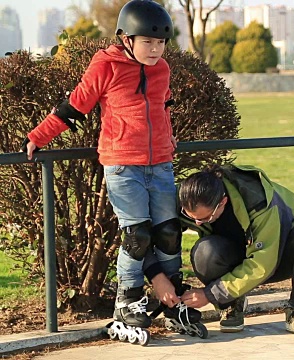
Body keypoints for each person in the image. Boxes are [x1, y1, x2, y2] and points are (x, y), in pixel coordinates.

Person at [22, 0, 201, 343]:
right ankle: (127, 300)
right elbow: (74, 106)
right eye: (148, 41)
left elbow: (160, 108)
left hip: (160, 163)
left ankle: (173, 296)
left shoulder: (161, 68)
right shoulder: (106, 66)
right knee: (137, 237)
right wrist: (37, 137)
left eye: (161, 43)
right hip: (122, 164)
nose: (155, 49)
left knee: (168, 232)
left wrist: (167, 136)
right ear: (126, 39)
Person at [178, 164, 294, 340]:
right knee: (204, 252)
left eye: (205, 218)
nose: (198, 223)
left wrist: (210, 294)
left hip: (278, 254)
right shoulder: (189, 196)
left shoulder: (260, 201)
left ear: (223, 202)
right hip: (237, 253)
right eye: (192, 217)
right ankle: (231, 305)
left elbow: (262, 264)